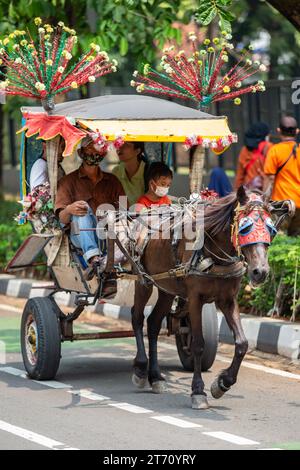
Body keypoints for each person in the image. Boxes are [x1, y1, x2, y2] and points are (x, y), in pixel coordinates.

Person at [55, 136, 125, 267]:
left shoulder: (113, 181)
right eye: (89, 149)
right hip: (79, 236)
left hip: (108, 235)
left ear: (103, 153)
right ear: (80, 153)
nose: (94, 153)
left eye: (97, 149)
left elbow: (124, 210)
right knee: (82, 207)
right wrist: (70, 209)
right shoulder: (67, 182)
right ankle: (93, 257)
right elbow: (62, 218)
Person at [264, 115, 300, 236]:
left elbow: (270, 178)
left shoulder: (275, 150)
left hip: (282, 204)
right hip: (299, 203)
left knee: (279, 237)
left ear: (279, 130)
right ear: (297, 131)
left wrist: (264, 200)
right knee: (296, 239)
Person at [235, 122, 272, 190]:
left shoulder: (244, 150)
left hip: (249, 192)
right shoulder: (270, 148)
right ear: (266, 136)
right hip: (265, 191)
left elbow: (239, 177)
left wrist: (237, 194)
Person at [112, 142, 149, 207]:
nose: (120, 147)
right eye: (120, 144)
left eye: (126, 145)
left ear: (137, 151)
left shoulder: (148, 171)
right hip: (123, 214)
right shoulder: (116, 172)